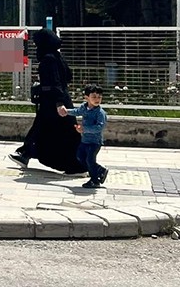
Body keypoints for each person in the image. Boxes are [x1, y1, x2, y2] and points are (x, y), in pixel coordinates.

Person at [8, 28, 83, 174]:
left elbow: (54, 82)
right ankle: (25, 153)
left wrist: (58, 102)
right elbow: (68, 77)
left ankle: (77, 165)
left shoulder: (48, 59)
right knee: (44, 129)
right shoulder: (58, 56)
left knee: (60, 132)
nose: (36, 46)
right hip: (58, 99)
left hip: (54, 102)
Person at [60, 84, 109, 188]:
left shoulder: (100, 113)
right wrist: (67, 112)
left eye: (99, 97)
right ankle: (100, 170)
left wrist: (84, 129)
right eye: (94, 97)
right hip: (85, 140)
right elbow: (77, 112)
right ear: (87, 98)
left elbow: (99, 127)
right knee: (80, 157)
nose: (97, 99)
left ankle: (94, 181)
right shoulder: (84, 107)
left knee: (90, 160)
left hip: (95, 142)